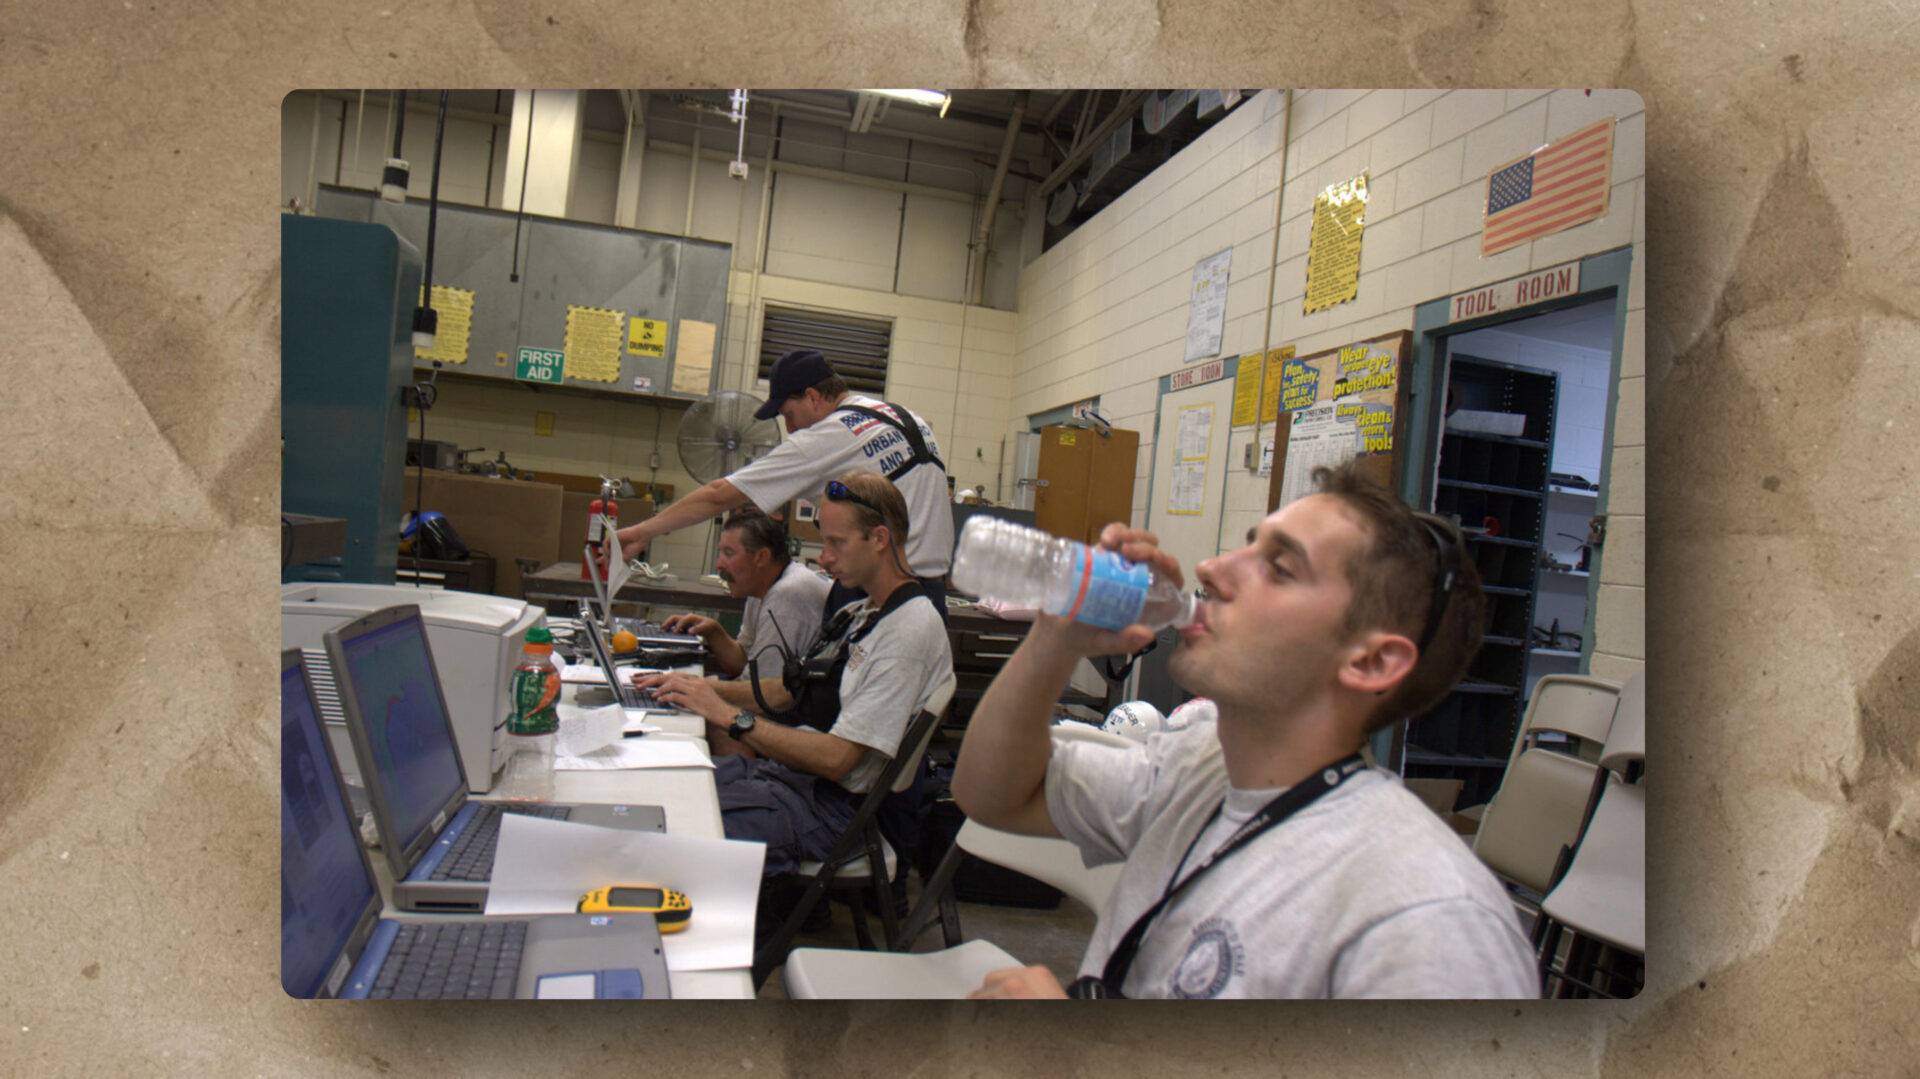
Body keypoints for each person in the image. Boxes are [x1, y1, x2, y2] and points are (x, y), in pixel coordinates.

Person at [951, 462, 1539, 999]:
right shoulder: (1200, 765)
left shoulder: (1430, 923)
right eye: (1246, 545)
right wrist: (1058, 638)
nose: (1209, 569)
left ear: (1370, 662)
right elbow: (992, 796)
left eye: (1279, 568)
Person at [636, 471, 953, 878]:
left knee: (671, 832)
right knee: (666, 790)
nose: (824, 558)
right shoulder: (860, 613)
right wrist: (704, 689)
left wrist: (729, 716)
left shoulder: (907, 631)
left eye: (836, 543)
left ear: (878, 539)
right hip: (798, 782)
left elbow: (838, 760)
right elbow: (789, 692)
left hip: (832, 810)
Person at [608, 349, 955, 618]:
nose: (790, 429)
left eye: (789, 414)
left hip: (878, 595)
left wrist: (642, 533)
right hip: (930, 595)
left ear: (813, 397)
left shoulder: (831, 434)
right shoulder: (908, 418)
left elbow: (718, 496)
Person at [658, 507, 830, 680]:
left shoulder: (788, 594)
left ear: (761, 557)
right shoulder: (762, 586)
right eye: (721, 552)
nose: (719, 564)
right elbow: (744, 663)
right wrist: (714, 632)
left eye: (729, 553)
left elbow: (762, 691)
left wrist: (697, 686)